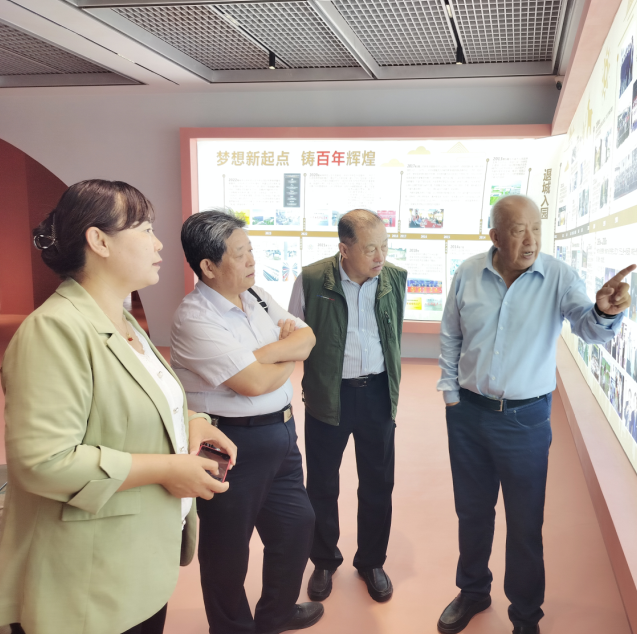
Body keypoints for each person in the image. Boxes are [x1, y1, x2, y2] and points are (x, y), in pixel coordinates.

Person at [0, 180, 235, 634]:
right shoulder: (54, 330)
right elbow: (43, 462)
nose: (159, 243)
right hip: (86, 584)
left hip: (136, 562)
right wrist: (169, 468)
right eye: (145, 229)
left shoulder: (122, 319)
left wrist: (193, 421)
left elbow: (135, 401)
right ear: (99, 241)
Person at [436, 195, 635, 634]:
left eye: (537, 229)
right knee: (472, 512)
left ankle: (525, 615)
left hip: (524, 420)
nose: (530, 240)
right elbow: (451, 333)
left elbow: (588, 327)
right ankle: (473, 590)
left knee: (525, 522)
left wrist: (604, 311)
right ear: (495, 236)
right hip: (468, 415)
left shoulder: (558, 277)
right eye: (518, 230)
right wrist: (451, 395)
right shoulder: (468, 272)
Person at [170, 211, 321, 634]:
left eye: (251, 249)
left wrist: (267, 356)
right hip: (228, 441)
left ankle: (276, 614)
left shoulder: (256, 295)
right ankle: (232, 628)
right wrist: (287, 354)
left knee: (296, 526)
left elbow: (308, 337)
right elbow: (253, 383)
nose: (252, 260)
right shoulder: (195, 317)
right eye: (240, 253)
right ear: (208, 266)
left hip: (282, 434)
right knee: (227, 550)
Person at [288, 209, 407, 604]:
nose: (380, 256)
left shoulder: (394, 279)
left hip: (377, 394)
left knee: (378, 482)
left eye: (385, 246)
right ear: (344, 248)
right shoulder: (311, 280)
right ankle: (324, 560)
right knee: (322, 482)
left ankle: (372, 561)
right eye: (370, 249)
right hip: (328, 394)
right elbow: (292, 335)